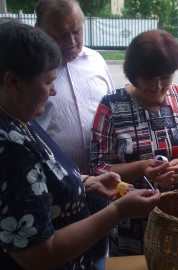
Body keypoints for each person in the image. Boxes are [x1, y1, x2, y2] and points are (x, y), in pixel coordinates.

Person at [0, 21, 160, 269]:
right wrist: (118, 212)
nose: (54, 91)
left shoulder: (17, 116)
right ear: (13, 83)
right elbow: (39, 255)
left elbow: (40, 181)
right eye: (47, 81)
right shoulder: (9, 147)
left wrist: (87, 182)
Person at [90, 29, 178, 256]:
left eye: (165, 77)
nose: (158, 87)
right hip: (130, 222)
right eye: (149, 78)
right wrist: (141, 168)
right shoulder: (112, 106)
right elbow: (97, 168)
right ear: (133, 74)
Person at [34, 0, 115, 268]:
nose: (71, 41)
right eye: (60, 34)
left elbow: (113, 114)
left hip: (100, 185)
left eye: (77, 31)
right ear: (39, 30)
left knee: (98, 256)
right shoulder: (31, 73)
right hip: (52, 192)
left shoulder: (96, 61)